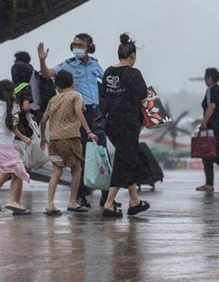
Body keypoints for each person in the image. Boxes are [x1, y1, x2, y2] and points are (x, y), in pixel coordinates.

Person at [38, 32, 105, 208]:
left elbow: (105, 81)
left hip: (95, 111)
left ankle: (106, 194)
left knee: (101, 151)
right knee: (80, 155)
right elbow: (47, 73)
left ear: (89, 46)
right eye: (74, 45)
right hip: (79, 112)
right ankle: (81, 195)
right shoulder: (67, 65)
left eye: (80, 45)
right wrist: (42, 60)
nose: (77, 48)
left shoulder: (95, 64)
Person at [99, 34, 151, 218]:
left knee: (126, 157)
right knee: (123, 161)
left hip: (111, 123)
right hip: (128, 123)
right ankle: (109, 203)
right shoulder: (133, 73)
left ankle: (134, 200)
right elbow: (143, 95)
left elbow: (103, 97)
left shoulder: (108, 72)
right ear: (133, 56)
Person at [39, 70, 97, 215]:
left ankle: (50, 204)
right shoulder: (75, 95)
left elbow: (43, 120)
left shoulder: (53, 100)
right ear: (72, 83)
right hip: (70, 137)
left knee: (57, 170)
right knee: (76, 168)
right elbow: (79, 112)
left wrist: (42, 137)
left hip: (54, 139)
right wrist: (89, 131)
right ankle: (72, 201)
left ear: (57, 86)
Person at [0, 80, 32, 217]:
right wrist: (25, 139)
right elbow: (12, 128)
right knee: (18, 172)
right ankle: (12, 201)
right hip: (6, 146)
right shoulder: (13, 107)